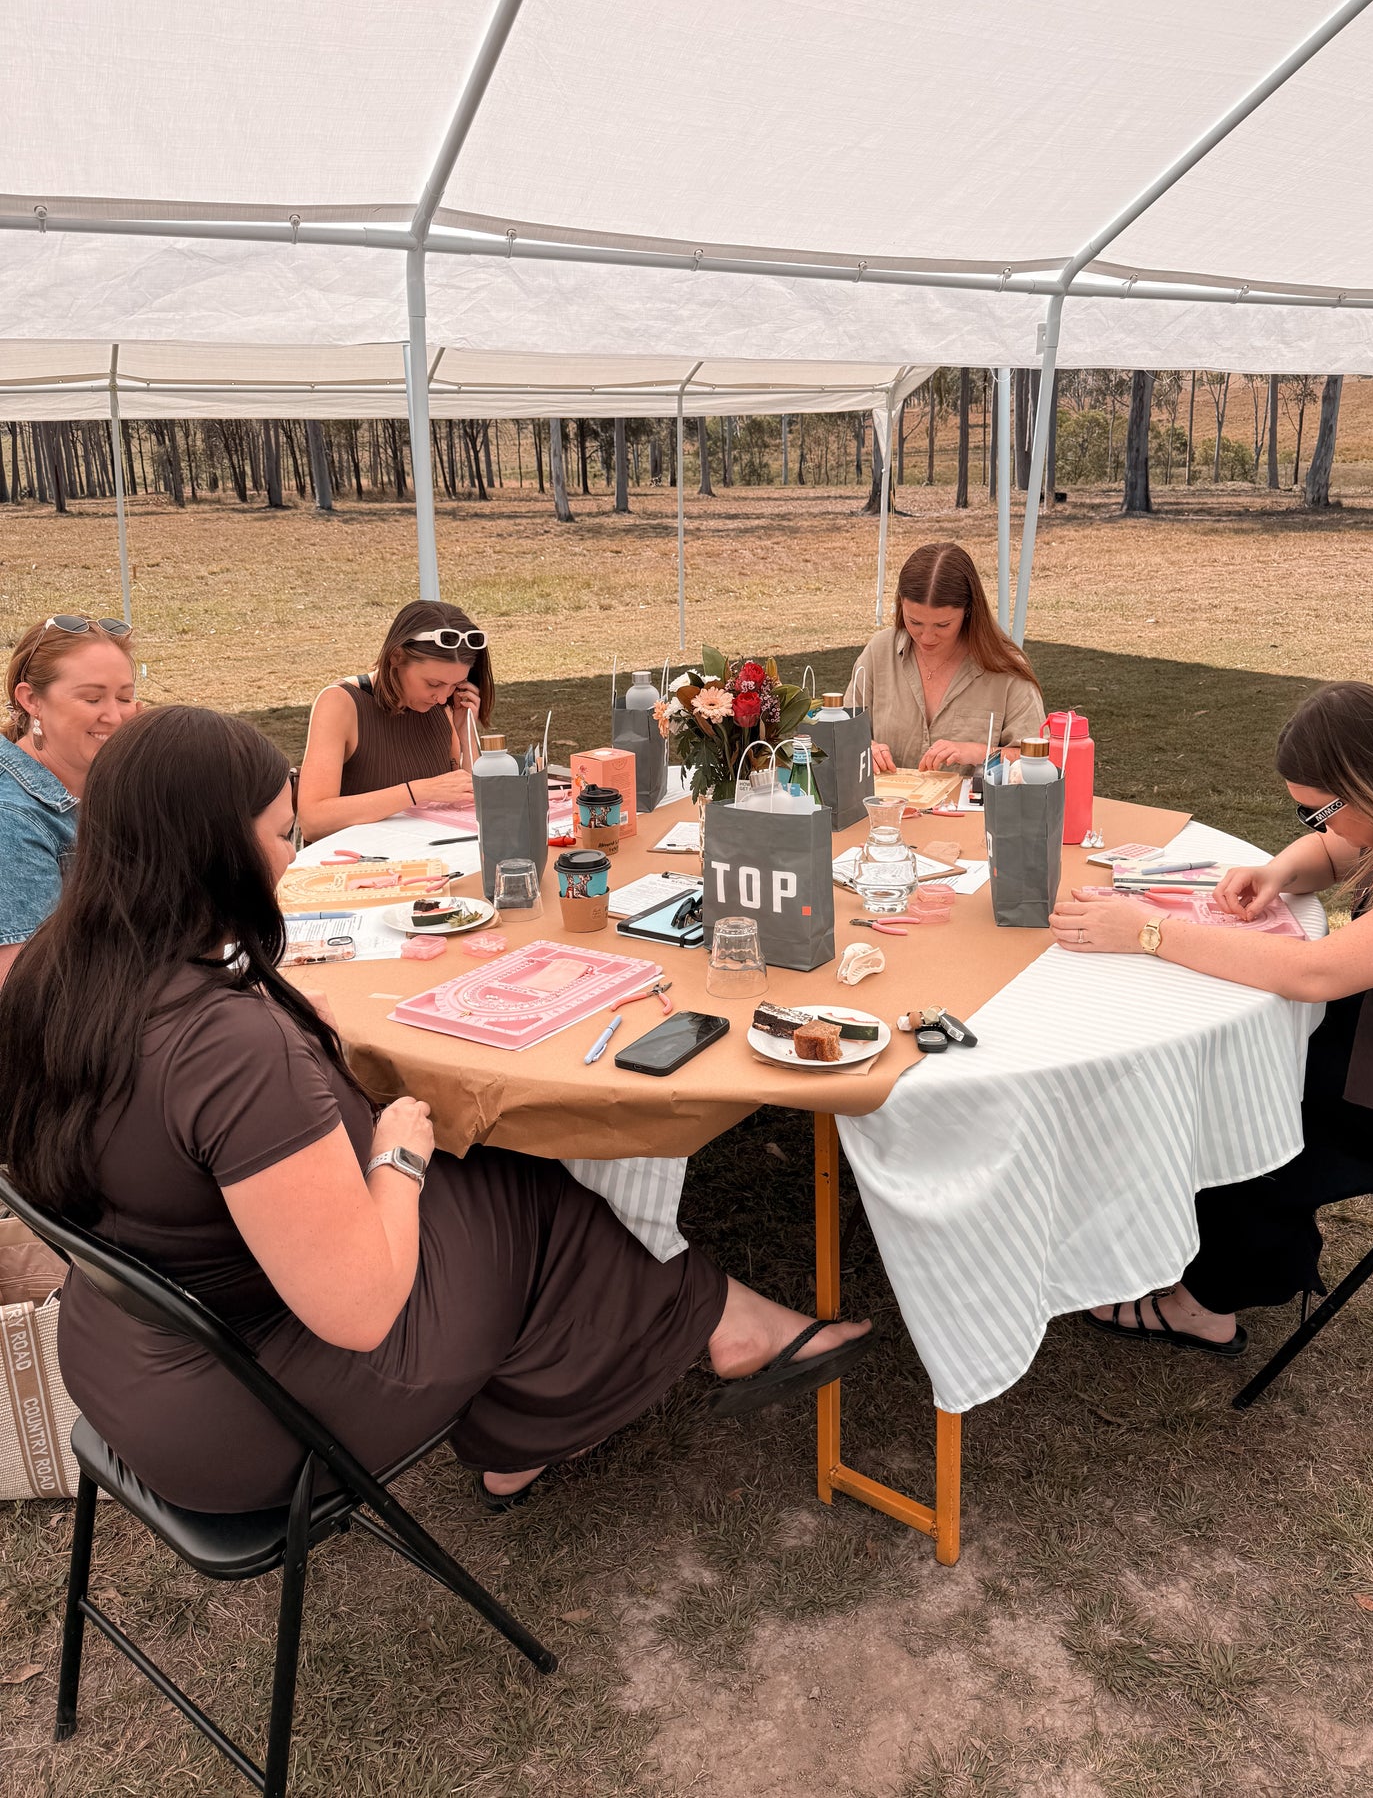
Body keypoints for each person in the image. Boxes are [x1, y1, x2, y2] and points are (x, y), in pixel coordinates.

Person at [0, 706, 872, 1513]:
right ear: (213, 849)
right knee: (529, 1189)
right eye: (279, 834)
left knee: (495, 1182)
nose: (290, 859)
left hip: (122, 1361)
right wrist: (397, 1155)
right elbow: (363, 1309)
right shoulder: (222, 1047)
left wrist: (302, 1043)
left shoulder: (56, 978)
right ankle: (642, 1364)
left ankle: (684, 1343)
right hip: (254, 1419)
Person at [1047, 682, 1373, 1355]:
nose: (1313, 828)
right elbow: (1339, 851)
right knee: (1241, 1063)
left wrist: (1146, 930)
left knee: (1253, 1095)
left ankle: (1209, 1299)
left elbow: (1314, 972)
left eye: (1316, 812)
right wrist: (1276, 870)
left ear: (1370, 785)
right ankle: (1191, 1243)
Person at [0, 614, 138, 987]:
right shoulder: (11, 819)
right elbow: (24, 991)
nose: (115, 715)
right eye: (92, 698)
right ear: (31, 701)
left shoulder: (111, 784)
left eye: (125, 697)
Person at [296, 599, 495, 842]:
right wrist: (418, 791)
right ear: (396, 657)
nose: (442, 696)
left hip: (430, 859)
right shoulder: (340, 702)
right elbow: (313, 821)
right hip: (359, 867)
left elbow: (469, 805)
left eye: (454, 684)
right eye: (433, 683)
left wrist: (466, 735)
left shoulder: (443, 706)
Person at [849, 542, 1044, 774]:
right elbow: (841, 733)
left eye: (943, 624)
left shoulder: (1006, 669)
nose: (927, 637)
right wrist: (864, 748)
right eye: (915, 622)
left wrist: (977, 752)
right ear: (901, 604)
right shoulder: (879, 652)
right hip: (887, 809)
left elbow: (1037, 760)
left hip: (976, 811)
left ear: (969, 610)